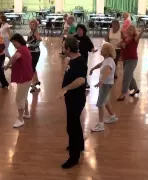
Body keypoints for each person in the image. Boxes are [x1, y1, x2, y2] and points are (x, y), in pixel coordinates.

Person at [56, 37, 87, 169]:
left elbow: (81, 80)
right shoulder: (73, 59)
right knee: (74, 123)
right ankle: (79, 145)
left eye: (64, 47)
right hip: (72, 98)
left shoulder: (79, 62)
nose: (63, 49)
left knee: (72, 127)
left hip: (76, 99)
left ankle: (73, 158)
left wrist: (65, 88)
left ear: (69, 49)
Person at [4, 33, 33, 128]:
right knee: (23, 96)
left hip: (24, 78)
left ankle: (20, 119)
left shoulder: (21, 50)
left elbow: (14, 57)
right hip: (27, 76)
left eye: (14, 43)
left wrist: (7, 65)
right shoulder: (25, 49)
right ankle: (26, 113)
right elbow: (21, 62)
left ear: (17, 41)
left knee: (19, 99)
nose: (13, 45)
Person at [90, 43, 118, 132]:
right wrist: (93, 68)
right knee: (105, 100)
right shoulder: (107, 59)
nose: (101, 50)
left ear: (107, 51)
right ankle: (112, 116)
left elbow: (107, 71)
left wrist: (101, 81)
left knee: (100, 103)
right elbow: (100, 64)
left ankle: (100, 124)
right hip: (106, 84)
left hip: (106, 84)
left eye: (103, 49)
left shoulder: (109, 61)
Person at [117, 25, 144, 101]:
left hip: (132, 60)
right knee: (129, 76)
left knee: (126, 76)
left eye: (131, 29)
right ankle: (136, 89)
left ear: (134, 31)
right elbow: (118, 44)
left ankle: (123, 93)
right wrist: (121, 44)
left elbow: (139, 36)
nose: (129, 30)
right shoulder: (125, 38)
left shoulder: (134, 39)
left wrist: (142, 31)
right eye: (128, 29)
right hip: (125, 59)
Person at [74, 24, 97, 89]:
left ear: (83, 31)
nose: (78, 31)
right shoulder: (74, 38)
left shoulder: (86, 38)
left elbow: (91, 47)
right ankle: (75, 83)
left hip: (84, 57)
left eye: (80, 30)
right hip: (75, 57)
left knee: (83, 70)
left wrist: (93, 50)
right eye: (78, 30)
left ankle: (84, 82)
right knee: (75, 70)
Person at [27, 19, 42, 93]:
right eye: (31, 24)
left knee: (32, 68)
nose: (32, 26)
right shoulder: (31, 32)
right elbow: (29, 41)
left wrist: (38, 38)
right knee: (33, 67)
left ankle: (33, 86)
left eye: (34, 25)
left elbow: (39, 39)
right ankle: (37, 81)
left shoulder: (36, 32)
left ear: (36, 26)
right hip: (30, 51)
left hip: (35, 52)